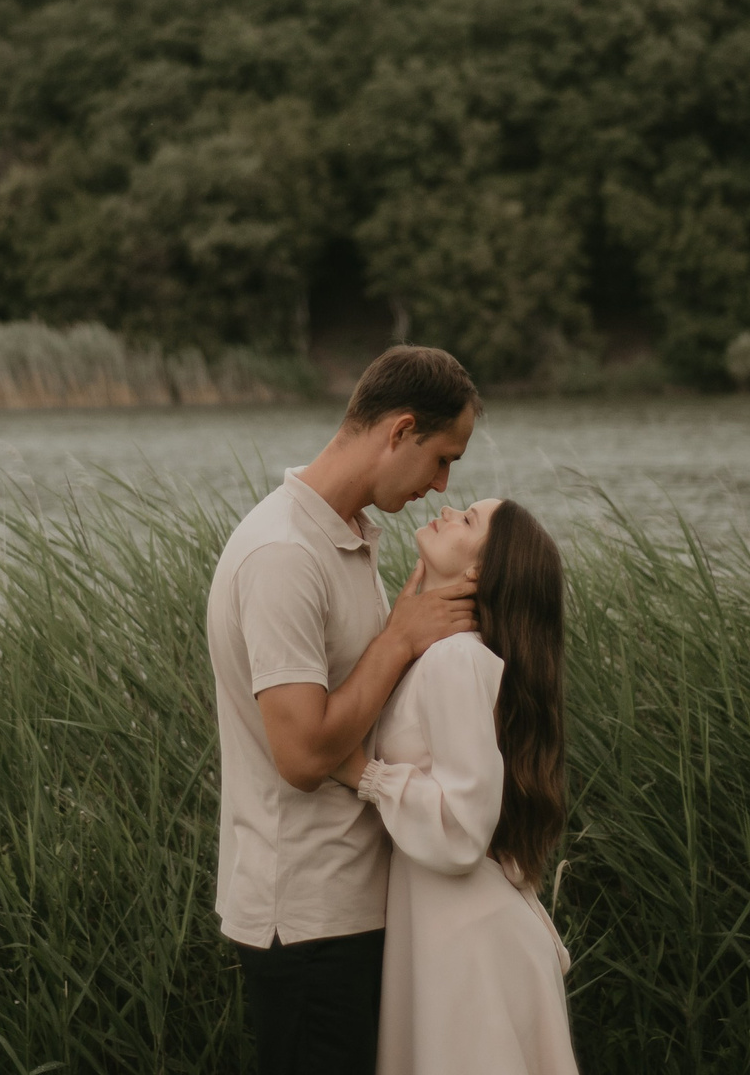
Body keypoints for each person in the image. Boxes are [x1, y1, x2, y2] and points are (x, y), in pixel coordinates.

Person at [207, 345, 484, 1075]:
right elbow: (300, 757)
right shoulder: (284, 555)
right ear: (398, 431)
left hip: (348, 909)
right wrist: (399, 639)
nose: (441, 485)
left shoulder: (347, 537)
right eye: (441, 459)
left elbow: (355, 708)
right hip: (305, 919)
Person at [341, 497, 578, 1075]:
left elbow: (463, 826)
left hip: (472, 949)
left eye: (468, 519)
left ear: (479, 573)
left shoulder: (455, 660)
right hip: (457, 938)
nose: (447, 508)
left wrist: (362, 773)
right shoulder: (444, 656)